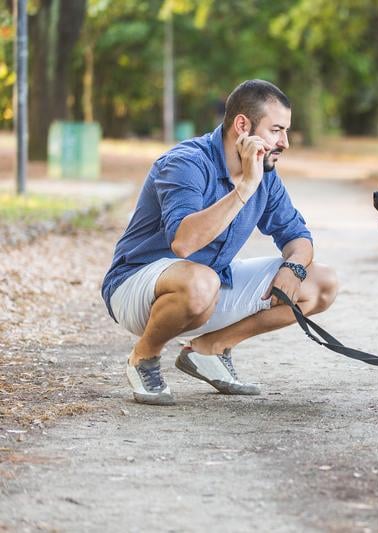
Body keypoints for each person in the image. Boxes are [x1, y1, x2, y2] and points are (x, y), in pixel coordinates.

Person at [101, 80, 338, 405]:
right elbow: (184, 243)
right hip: (137, 288)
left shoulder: (266, 176)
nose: (284, 142)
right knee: (201, 282)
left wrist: (294, 267)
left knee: (320, 283)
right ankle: (144, 356)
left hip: (210, 284)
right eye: (276, 130)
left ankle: (209, 350)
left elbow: (299, 238)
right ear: (243, 125)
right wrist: (244, 188)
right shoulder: (186, 163)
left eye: (285, 132)